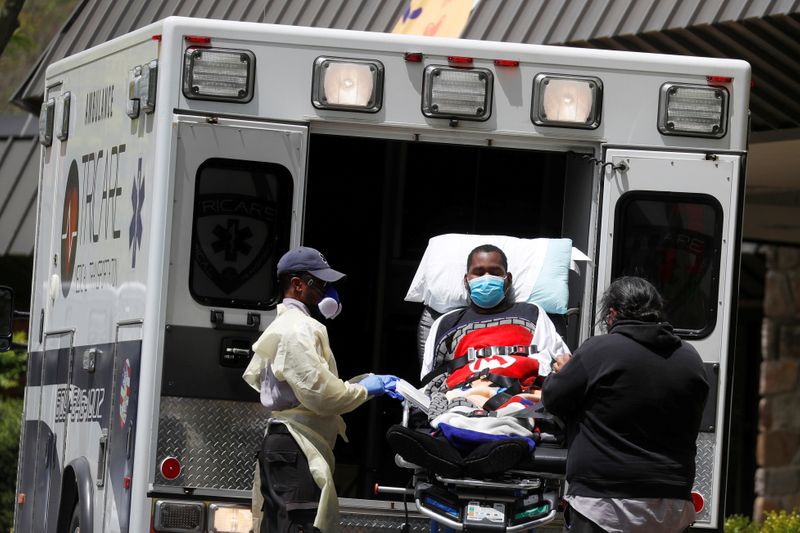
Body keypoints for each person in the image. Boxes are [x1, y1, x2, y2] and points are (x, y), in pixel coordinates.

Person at [242, 246, 401, 533]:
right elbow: (322, 396)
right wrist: (364, 390)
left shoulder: (288, 325)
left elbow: (311, 388)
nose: (327, 292)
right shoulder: (298, 329)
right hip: (295, 445)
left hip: (287, 444)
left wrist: (362, 383)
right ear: (297, 285)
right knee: (298, 527)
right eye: (321, 283)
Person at [542, 276, 710, 533]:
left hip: (603, 504)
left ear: (612, 314)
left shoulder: (599, 351)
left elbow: (553, 399)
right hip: (672, 506)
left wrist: (562, 372)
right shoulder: (691, 359)